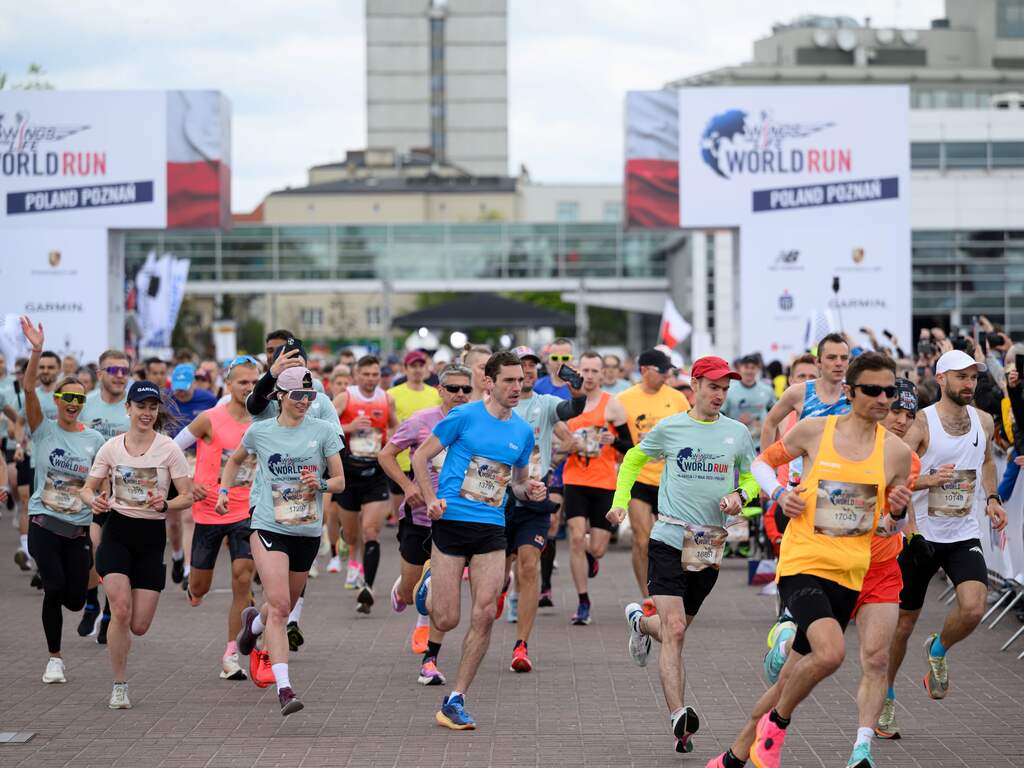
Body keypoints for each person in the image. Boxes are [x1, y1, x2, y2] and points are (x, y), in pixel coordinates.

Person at [706, 352, 913, 768]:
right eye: (873, 390)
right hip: (803, 563)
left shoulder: (896, 453)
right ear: (851, 392)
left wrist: (896, 511)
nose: (883, 398)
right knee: (832, 653)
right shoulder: (815, 430)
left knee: (791, 674)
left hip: (851, 572)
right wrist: (781, 494)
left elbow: (888, 527)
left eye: (889, 390)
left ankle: (734, 755)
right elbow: (764, 464)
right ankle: (776, 726)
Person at [608, 355, 756, 755]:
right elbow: (634, 458)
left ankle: (640, 623)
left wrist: (740, 496)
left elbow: (753, 477)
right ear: (695, 385)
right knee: (674, 629)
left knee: (676, 629)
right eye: (713, 387)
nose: (719, 395)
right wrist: (621, 501)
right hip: (669, 538)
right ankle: (679, 717)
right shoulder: (671, 428)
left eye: (725, 389)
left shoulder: (737, 433)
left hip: (709, 545)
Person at [411, 351, 543, 730]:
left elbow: (516, 483)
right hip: (451, 522)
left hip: (491, 528)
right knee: (447, 618)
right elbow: (421, 458)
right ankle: (431, 581)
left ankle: (456, 698)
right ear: (489, 381)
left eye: (520, 381)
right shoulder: (464, 417)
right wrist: (431, 497)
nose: (517, 387)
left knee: (485, 613)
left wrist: (527, 489)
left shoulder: (522, 431)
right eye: (509, 381)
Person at [882, 349, 1007, 736]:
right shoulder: (920, 423)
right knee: (903, 625)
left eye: (973, 377)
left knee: (973, 610)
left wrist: (991, 497)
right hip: (920, 538)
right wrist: (928, 479)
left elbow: (986, 460)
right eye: (961, 377)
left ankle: (938, 649)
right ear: (941, 379)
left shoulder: (983, 421)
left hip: (962, 532)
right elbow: (893, 477)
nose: (969, 384)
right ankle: (885, 699)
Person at [232, 366, 344, 716]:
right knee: (280, 606)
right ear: (280, 395)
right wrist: (224, 490)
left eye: (309, 396)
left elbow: (340, 480)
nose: (304, 402)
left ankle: (252, 627)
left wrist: (321, 485)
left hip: (307, 531)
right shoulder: (261, 431)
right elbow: (235, 460)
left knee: (280, 605)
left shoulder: (324, 430)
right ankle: (284, 688)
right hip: (268, 525)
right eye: (298, 396)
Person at [81, 380, 193, 710]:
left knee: (139, 625)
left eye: (152, 407)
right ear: (127, 408)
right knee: (120, 609)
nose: (146, 413)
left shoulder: (169, 448)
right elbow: (87, 489)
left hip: (150, 536)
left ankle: (121, 630)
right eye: (140, 406)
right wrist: (94, 502)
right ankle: (119, 685)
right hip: (117, 532)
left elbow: (186, 496)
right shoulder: (111, 447)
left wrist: (166, 505)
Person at [17, 317, 105, 685]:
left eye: (79, 398)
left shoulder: (95, 440)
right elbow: (28, 388)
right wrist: (37, 351)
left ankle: (88, 604)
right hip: (43, 522)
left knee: (72, 597)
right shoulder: (43, 429)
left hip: (77, 528)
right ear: (57, 401)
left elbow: (102, 482)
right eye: (67, 397)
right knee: (52, 586)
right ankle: (55, 658)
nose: (73, 403)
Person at [378, 363, 472, 683]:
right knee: (410, 589)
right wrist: (408, 487)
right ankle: (404, 593)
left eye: (466, 389)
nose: (460, 395)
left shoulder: (478, 423)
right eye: (454, 389)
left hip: (458, 518)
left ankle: (429, 646)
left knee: (442, 585)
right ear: (440, 390)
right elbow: (386, 455)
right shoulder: (421, 422)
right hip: (418, 516)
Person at [174, 356, 260, 680]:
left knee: (242, 577)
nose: (249, 388)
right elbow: (170, 449)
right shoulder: (209, 418)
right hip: (210, 510)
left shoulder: (263, 421)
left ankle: (231, 653)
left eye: (254, 383)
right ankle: (194, 590)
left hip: (247, 510)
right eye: (243, 383)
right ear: (229, 385)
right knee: (200, 586)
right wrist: (188, 483)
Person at [505, 346, 583, 670]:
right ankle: (499, 593)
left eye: (531, 365)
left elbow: (573, 409)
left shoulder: (545, 404)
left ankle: (521, 646)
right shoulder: (495, 409)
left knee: (528, 566)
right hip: (499, 498)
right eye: (521, 365)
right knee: (497, 575)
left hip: (536, 496)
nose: (528, 370)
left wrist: (576, 389)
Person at [616, 348, 690, 613]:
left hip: (671, 480)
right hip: (640, 478)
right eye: (662, 370)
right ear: (644, 370)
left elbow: (690, 433)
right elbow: (615, 434)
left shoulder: (678, 398)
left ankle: (671, 587)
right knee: (642, 538)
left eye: (669, 370)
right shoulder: (624, 399)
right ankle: (647, 595)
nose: (667, 375)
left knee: (674, 540)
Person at [562, 351, 631, 625]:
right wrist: (566, 445)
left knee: (598, 547)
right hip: (575, 480)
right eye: (585, 371)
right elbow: (557, 441)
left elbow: (631, 446)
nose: (589, 376)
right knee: (576, 538)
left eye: (594, 371)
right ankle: (583, 601)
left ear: (602, 374)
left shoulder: (612, 405)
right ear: (578, 372)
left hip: (604, 482)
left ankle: (593, 556)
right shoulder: (569, 404)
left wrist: (611, 441)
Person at [334, 354, 399, 610]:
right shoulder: (345, 397)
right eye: (366, 374)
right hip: (348, 474)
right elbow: (324, 425)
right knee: (352, 536)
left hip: (375, 473)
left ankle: (367, 589)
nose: (371, 379)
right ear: (356, 375)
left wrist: (388, 441)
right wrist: (349, 427)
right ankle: (345, 537)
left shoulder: (386, 398)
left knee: (371, 531)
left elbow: (395, 426)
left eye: (375, 375)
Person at [78, 350, 132, 641]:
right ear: (100, 374)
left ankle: (110, 613)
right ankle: (90, 602)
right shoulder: (85, 406)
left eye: (125, 370)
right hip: (92, 493)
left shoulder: (133, 408)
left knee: (116, 558)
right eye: (113, 370)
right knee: (92, 552)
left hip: (124, 498)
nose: (120, 375)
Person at [384, 349, 441, 556]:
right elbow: (387, 425)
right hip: (400, 460)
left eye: (421, 366)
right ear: (405, 369)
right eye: (413, 366)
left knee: (429, 513)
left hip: (429, 463)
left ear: (426, 368)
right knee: (405, 512)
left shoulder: (435, 394)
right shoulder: (392, 394)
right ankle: (408, 546)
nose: (417, 370)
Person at [723, 354, 776, 452]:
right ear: (740, 368)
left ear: (757, 369)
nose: (749, 371)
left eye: (753, 368)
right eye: (746, 367)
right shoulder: (729, 390)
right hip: (735, 444)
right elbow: (721, 414)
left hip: (760, 445)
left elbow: (775, 414)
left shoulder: (767, 390)